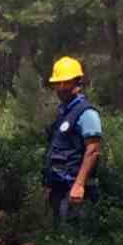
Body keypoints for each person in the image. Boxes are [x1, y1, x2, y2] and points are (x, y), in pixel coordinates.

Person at [42, 55, 103, 228]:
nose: (61, 88)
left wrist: (79, 185)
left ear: (77, 82)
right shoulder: (64, 113)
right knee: (59, 237)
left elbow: (93, 150)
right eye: (58, 83)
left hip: (75, 190)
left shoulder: (87, 113)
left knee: (76, 240)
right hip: (59, 188)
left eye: (65, 83)